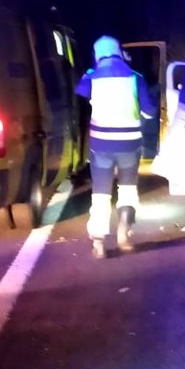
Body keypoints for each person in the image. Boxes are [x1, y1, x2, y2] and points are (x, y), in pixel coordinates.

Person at [76, 35, 157, 258]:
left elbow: (80, 92)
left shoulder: (91, 77)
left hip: (101, 145)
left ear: (98, 54)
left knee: (101, 193)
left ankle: (99, 240)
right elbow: (149, 112)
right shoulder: (135, 77)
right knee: (128, 189)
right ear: (120, 52)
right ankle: (124, 230)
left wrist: (93, 70)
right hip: (130, 145)